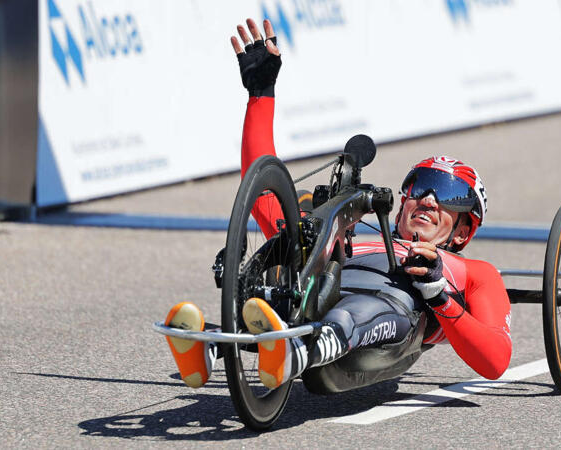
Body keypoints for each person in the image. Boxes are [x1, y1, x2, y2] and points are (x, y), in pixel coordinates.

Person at [163, 18, 511, 390]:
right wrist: (260, 94)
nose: (428, 198)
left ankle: (295, 353)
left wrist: (439, 293)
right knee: (288, 275)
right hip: (316, 297)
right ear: (402, 201)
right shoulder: (354, 224)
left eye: (449, 197)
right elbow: (263, 195)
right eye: (421, 186)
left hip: (392, 320)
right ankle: (211, 344)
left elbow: (495, 360)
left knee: (363, 309)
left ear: (462, 231)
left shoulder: (473, 272)